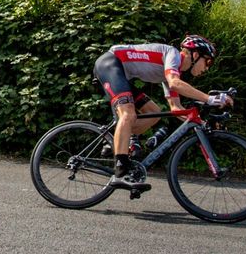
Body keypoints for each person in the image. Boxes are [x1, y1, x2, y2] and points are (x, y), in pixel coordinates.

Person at [93, 35, 231, 192]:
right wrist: (210, 99)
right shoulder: (173, 55)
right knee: (128, 114)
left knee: (155, 112)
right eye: (208, 62)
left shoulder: (172, 71)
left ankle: (115, 139)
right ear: (195, 54)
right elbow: (175, 83)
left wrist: (203, 124)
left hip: (121, 73)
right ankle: (120, 172)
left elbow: (176, 108)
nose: (207, 68)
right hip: (110, 63)